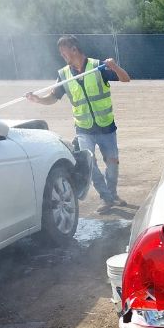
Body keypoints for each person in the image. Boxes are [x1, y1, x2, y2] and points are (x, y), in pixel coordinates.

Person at [26, 35, 131, 213]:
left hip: (106, 125)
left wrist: (115, 67)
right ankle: (106, 198)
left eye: (63, 51)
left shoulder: (98, 66)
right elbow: (53, 97)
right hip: (83, 128)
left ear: (74, 49)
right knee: (92, 166)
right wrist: (37, 99)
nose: (62, 55)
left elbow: (126, 78)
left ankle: (113, 195)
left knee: (112, 163)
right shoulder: (63, 75)